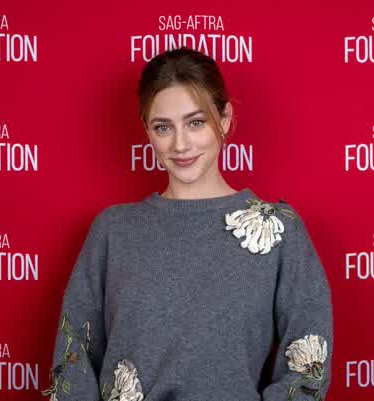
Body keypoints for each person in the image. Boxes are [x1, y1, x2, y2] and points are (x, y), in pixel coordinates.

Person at [42, 47, 334, 401]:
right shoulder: (112, 231)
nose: (180, 144)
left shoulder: (280, 232)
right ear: (147, 131)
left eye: (196, 122)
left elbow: (308, 366)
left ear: (224, 119)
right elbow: (73, 359)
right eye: (163, 127)